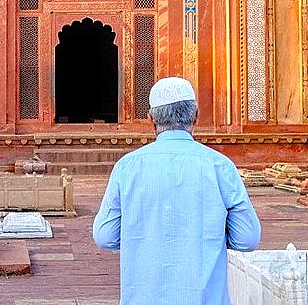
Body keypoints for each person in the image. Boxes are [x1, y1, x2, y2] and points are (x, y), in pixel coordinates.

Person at [92, 76, 260, 305]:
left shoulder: (128, 167)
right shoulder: (220, 166)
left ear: (150, 118)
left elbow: (105, 237)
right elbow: (247, 239)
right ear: (196, 116)